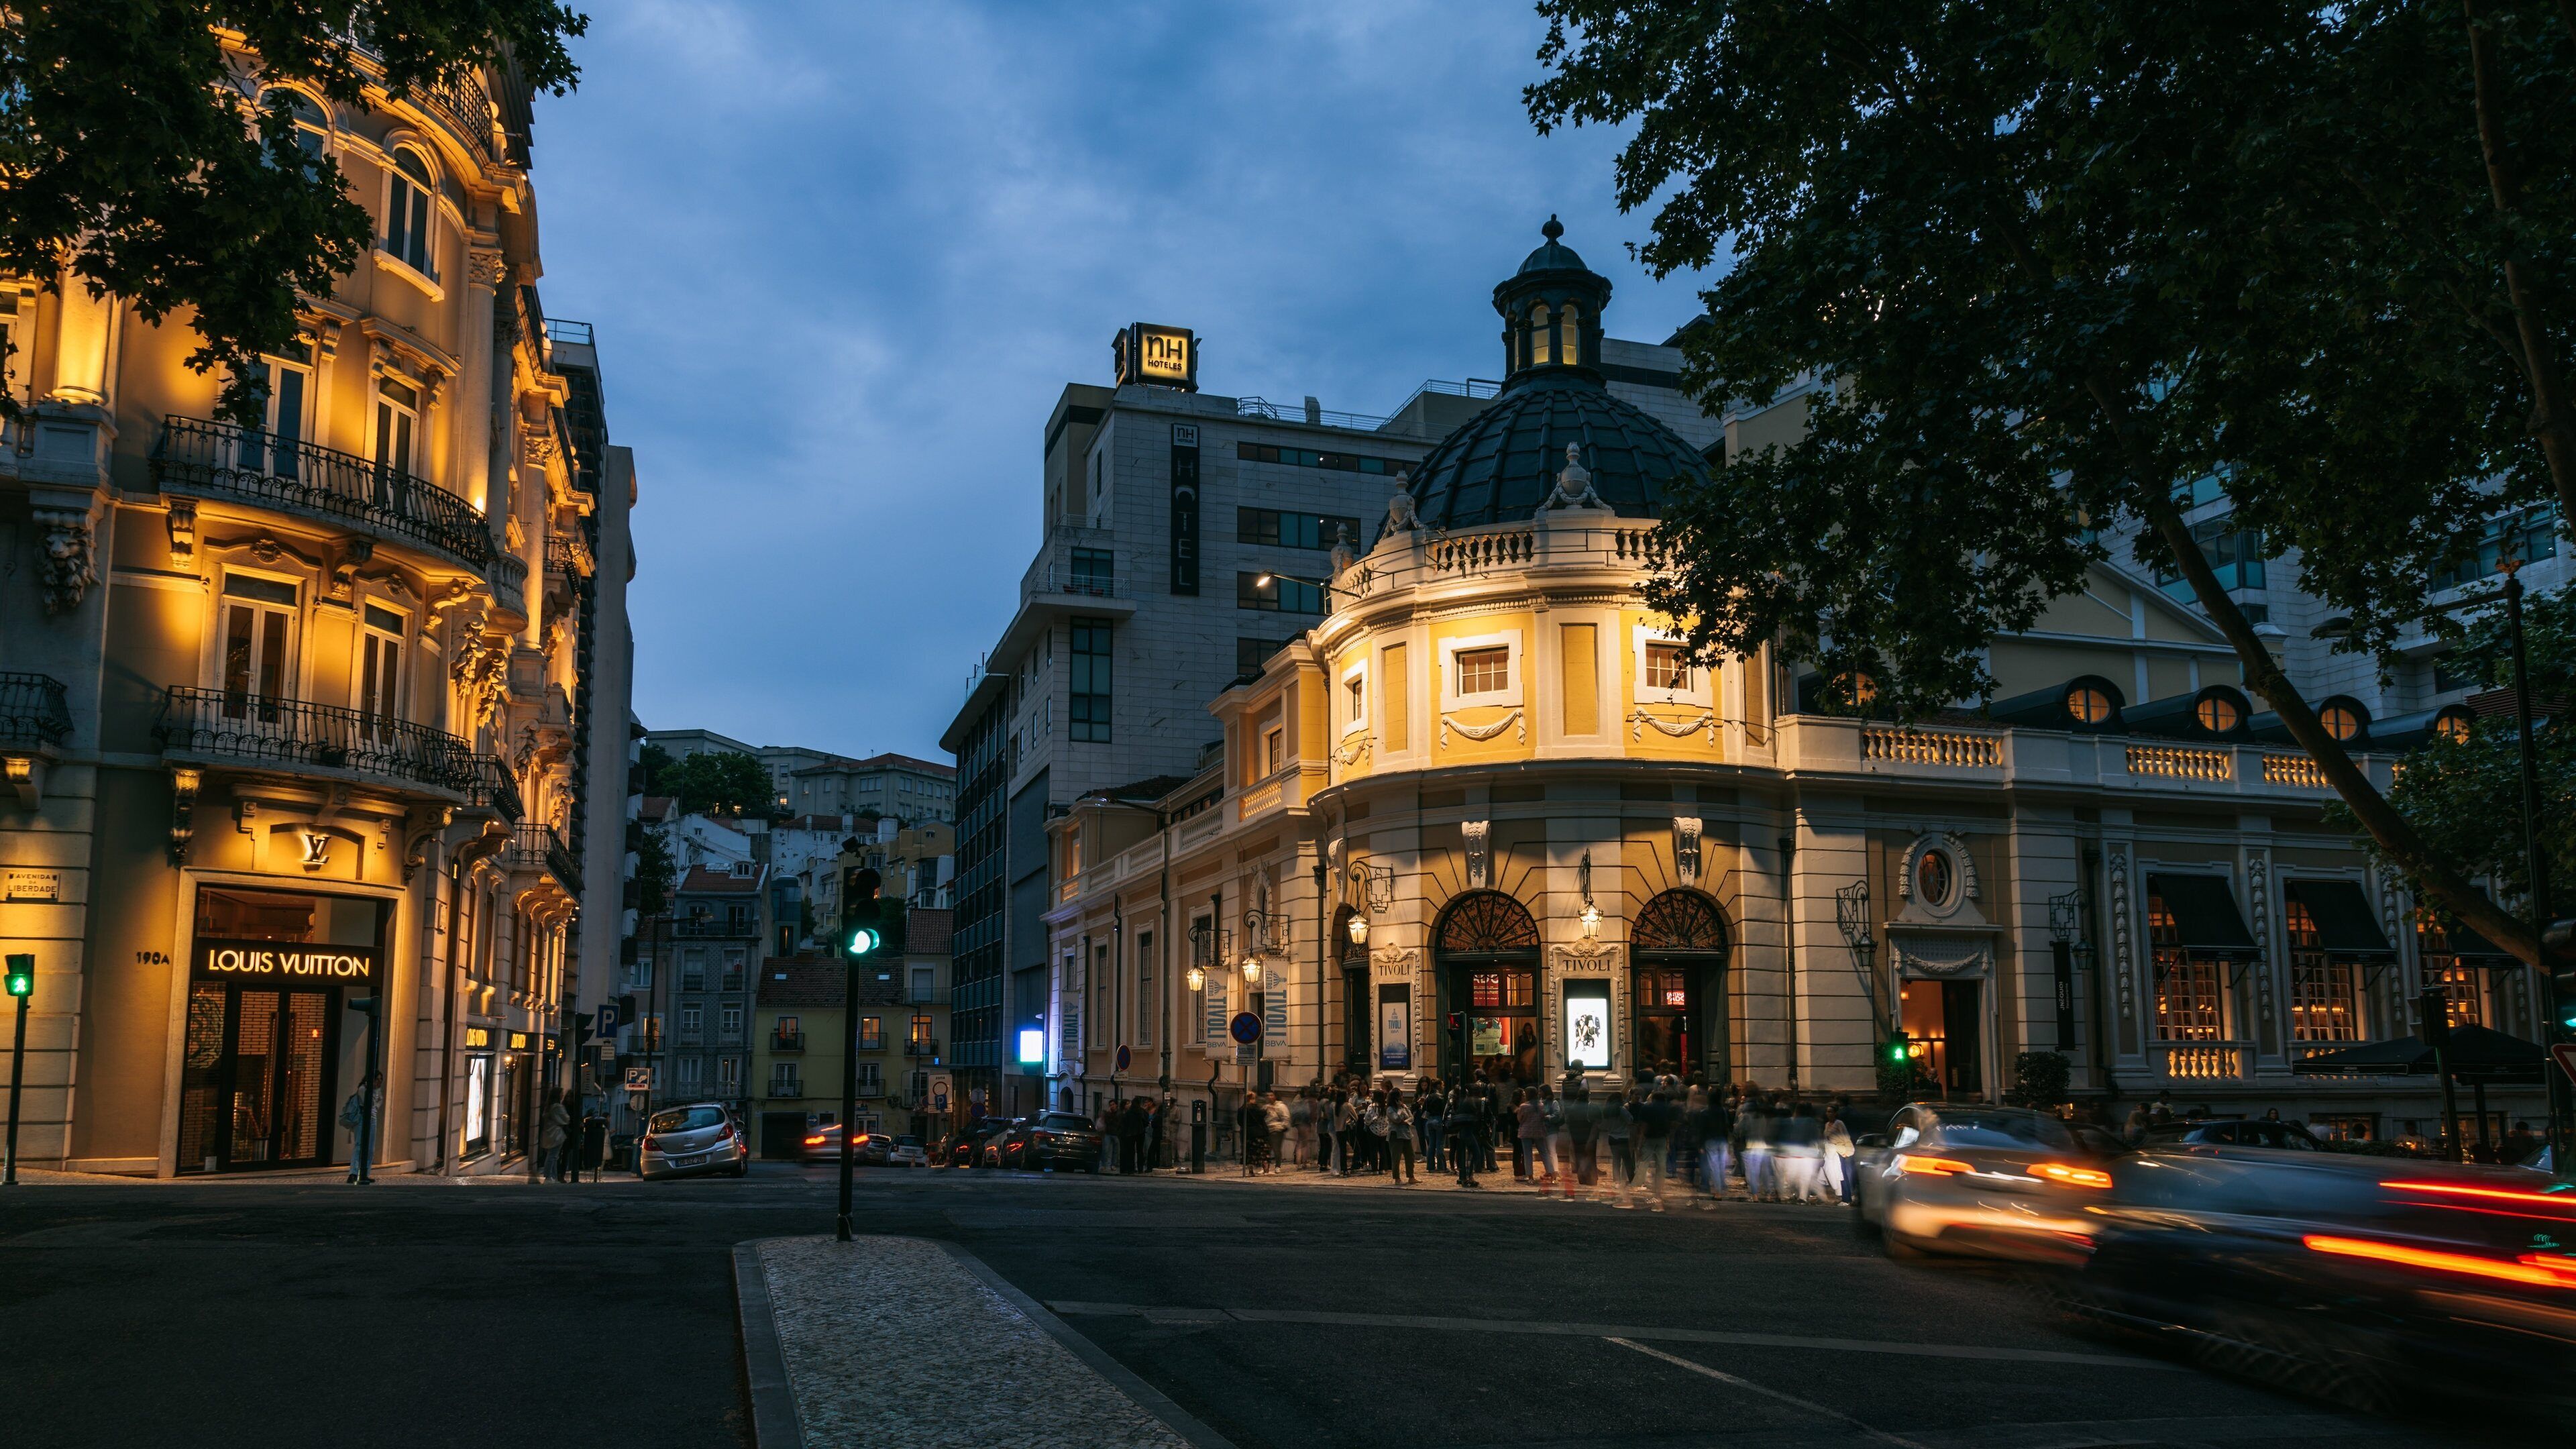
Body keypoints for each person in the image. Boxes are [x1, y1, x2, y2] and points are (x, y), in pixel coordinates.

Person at [1633, 1088, 1674, 1210]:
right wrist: (1668, 1143)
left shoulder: (1647, 1108)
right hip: (1662, 1139)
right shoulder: (1668, 1109)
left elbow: (1644, 1126)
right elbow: (1670, 1126)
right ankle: (1658, 1192)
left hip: (1649, 1139)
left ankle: (1638, 1184)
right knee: (1661, 1167)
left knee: (1644, 1162)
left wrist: (1639, 1144)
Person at [1778, 1101, 1827, 1202]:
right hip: (1808, 1154)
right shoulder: (1812, 1122)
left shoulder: (1792, 1121)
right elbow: (1815, 1137)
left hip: (1793, 1153)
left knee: (1793, 1177)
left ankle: (1798, 1194)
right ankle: (1803, 1197)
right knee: (1806, 1177)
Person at [1602, 1087, 1636, 1205]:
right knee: (1627, 1160)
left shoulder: (1607, 1110)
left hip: (1612, 1137)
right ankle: (1631, 1180)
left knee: (1616, 1160)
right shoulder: (1621, 1110)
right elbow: (1630, 1120)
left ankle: (1616, 1181)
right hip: (1623, 1137)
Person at [1446, 1082, 1482, 1186]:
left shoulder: (1461, 1101)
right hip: (1468, 1130)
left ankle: (1467, 1176)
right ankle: (1467, 1176)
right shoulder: (1469, 1101)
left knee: (1466, 1153)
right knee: (1475, 1153)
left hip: (1463, 1131)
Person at [1820, 1104, 1855, 1203]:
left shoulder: (1839, 1123)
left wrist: (1848, 1151)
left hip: (1839, 1151)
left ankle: (1847, 1199)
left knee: (1842, 1175)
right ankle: (1841, 1196)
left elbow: (1846, 1137)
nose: (1828, 1114)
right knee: (1833, 1174)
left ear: (1835, 1113)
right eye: (1827, 1111)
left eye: (1831, 1111)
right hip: (1830, 1151)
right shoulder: (1827, 1125)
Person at [1385, 1091, 1417, 1184]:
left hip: (1406, 1134)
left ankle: (1411, 1177)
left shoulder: (1404, 1107)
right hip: (1396, 1135)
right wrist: (1399, 1109)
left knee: (1410, 1156)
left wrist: (1405, 1122)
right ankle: (1397, 1179)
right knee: (1396, 1158)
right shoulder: (1390, 1109)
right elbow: (1396, 1119)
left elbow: (1411, 1117)